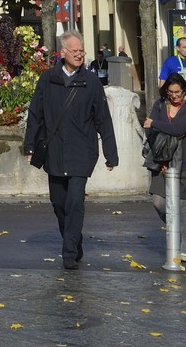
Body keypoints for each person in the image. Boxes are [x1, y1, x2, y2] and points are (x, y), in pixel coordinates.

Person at [23, 31, 118, 270]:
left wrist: (110, 153)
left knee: (75, 202)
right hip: (54, 151)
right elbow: (35, 114)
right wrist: (30, 145)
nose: (79, 54)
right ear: (62, 52)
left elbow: (103, 119)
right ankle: (74, 239)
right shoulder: (48, 79)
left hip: (81, 152)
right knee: (59, 203)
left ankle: (68, 252)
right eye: (74, 51)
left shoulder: (91, 81)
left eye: (81, 51)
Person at [144, 73, 186, 261]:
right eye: (170, 92)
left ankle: (184, 246)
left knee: (182, 205)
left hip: (184, 161)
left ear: (184, 91)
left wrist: (156, 124)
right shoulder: (159, 105)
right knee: (158, 202)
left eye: (178, 92)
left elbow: (179, 129)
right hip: (161, 162)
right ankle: (175, 229)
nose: (174, 96)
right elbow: (148, 128)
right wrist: (154, 126)